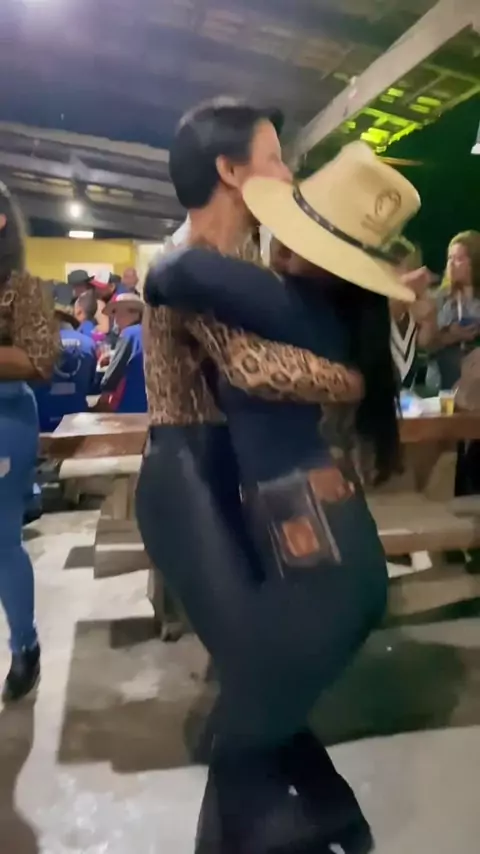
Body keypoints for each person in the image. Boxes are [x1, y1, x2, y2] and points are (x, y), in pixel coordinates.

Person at [139, 98, 418, 854]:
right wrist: (351, 375)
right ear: (232, 173)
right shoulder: (196, 261)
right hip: (185, 481)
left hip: (225, 483)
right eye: (276, 159)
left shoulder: (231, 270)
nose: (288, 175)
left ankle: (325, 818)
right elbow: (249, 367)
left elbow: (274, 355)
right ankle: (316, 822)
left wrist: (351, 371)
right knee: (253, 698)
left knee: (255, 692)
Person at [0, 182, 58, 701]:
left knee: (2, 540)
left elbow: (40, 359)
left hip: (4, 417)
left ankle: (25, 647)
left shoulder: (23, 288)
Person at [33, 295, 97, 433]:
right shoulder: (89, 343)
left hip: (43, 421)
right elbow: (91, 383)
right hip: (78, 421)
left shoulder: (37, 344)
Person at [388, 236, 438, 388]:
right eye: (409, 268)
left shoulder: (416, 310)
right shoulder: (375, 305)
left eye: (415, 267)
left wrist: (430, 319)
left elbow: (425, 344)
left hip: (407, 394)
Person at [435, 230, 480, 389]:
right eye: (450, 258)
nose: (451, 264)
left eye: (459, 259)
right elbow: (427, 344)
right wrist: (451, 335)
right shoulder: (441, 298)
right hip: (449, 375)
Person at [96, 293, 147, 413]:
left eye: (117, 311)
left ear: (134, 313)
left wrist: (104, 392)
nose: (115, 317)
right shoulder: (150, 332)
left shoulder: (129, 334)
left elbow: (115, 370)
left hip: (130, 404)